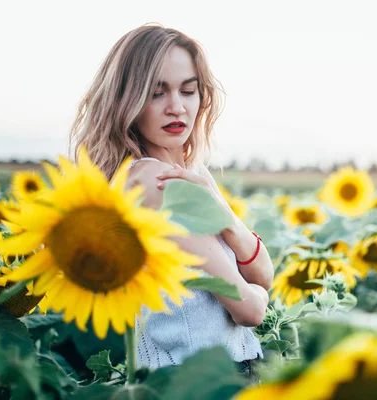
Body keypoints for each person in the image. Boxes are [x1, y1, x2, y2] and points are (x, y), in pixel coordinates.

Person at [69, 23, 274, 380]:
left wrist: (225, 217)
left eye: (188, 90)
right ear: (126, 100)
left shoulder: (189, 173)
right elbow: (249, 310)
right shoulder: (155, 182)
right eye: (156, 93)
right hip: (197, 381)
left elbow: (262, 276)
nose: (176, 107)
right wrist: (255, 293)